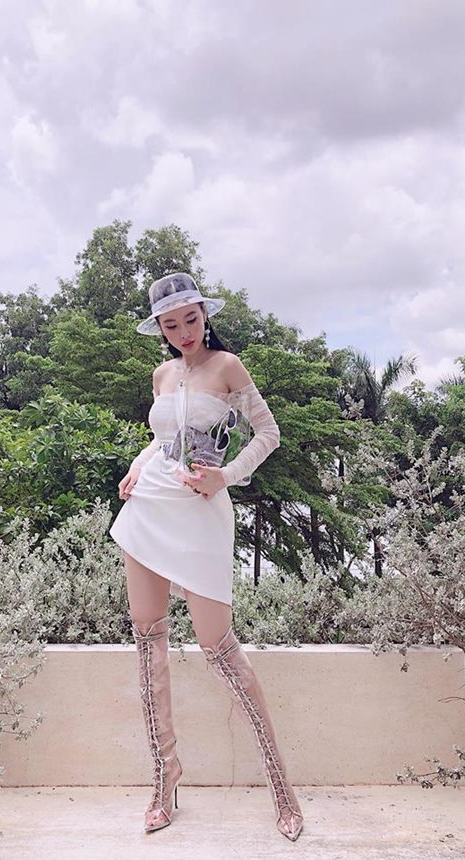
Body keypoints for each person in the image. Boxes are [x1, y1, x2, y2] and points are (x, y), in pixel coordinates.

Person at [109, 272, 304, 842]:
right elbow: (161, 438)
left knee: (218, 647)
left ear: (204, 315)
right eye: (171, 325)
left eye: (190, 320)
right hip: (149, 506)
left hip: (200, 512)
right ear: (160, 330)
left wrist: (227, 475)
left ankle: (281, 787)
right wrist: (136, 466)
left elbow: (267, 433)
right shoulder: (162, 374)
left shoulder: (228, 367)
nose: (183, 333)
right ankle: (164, 778)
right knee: (148, 641)